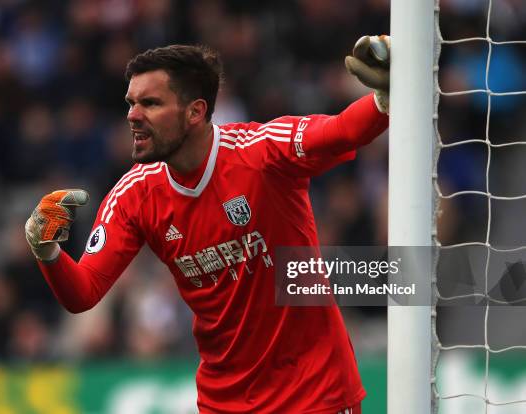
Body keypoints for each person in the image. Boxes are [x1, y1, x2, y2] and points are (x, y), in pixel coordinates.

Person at [25, 36, 390, 413]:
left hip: (314, 394)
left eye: (150, 103)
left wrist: (383, 101)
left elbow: (342, 130)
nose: (133, 115)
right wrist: (47, 250)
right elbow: (83, 292)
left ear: (195, 112)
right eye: (131, 103)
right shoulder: (135, 194)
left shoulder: (261, 153)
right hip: (224, 402)